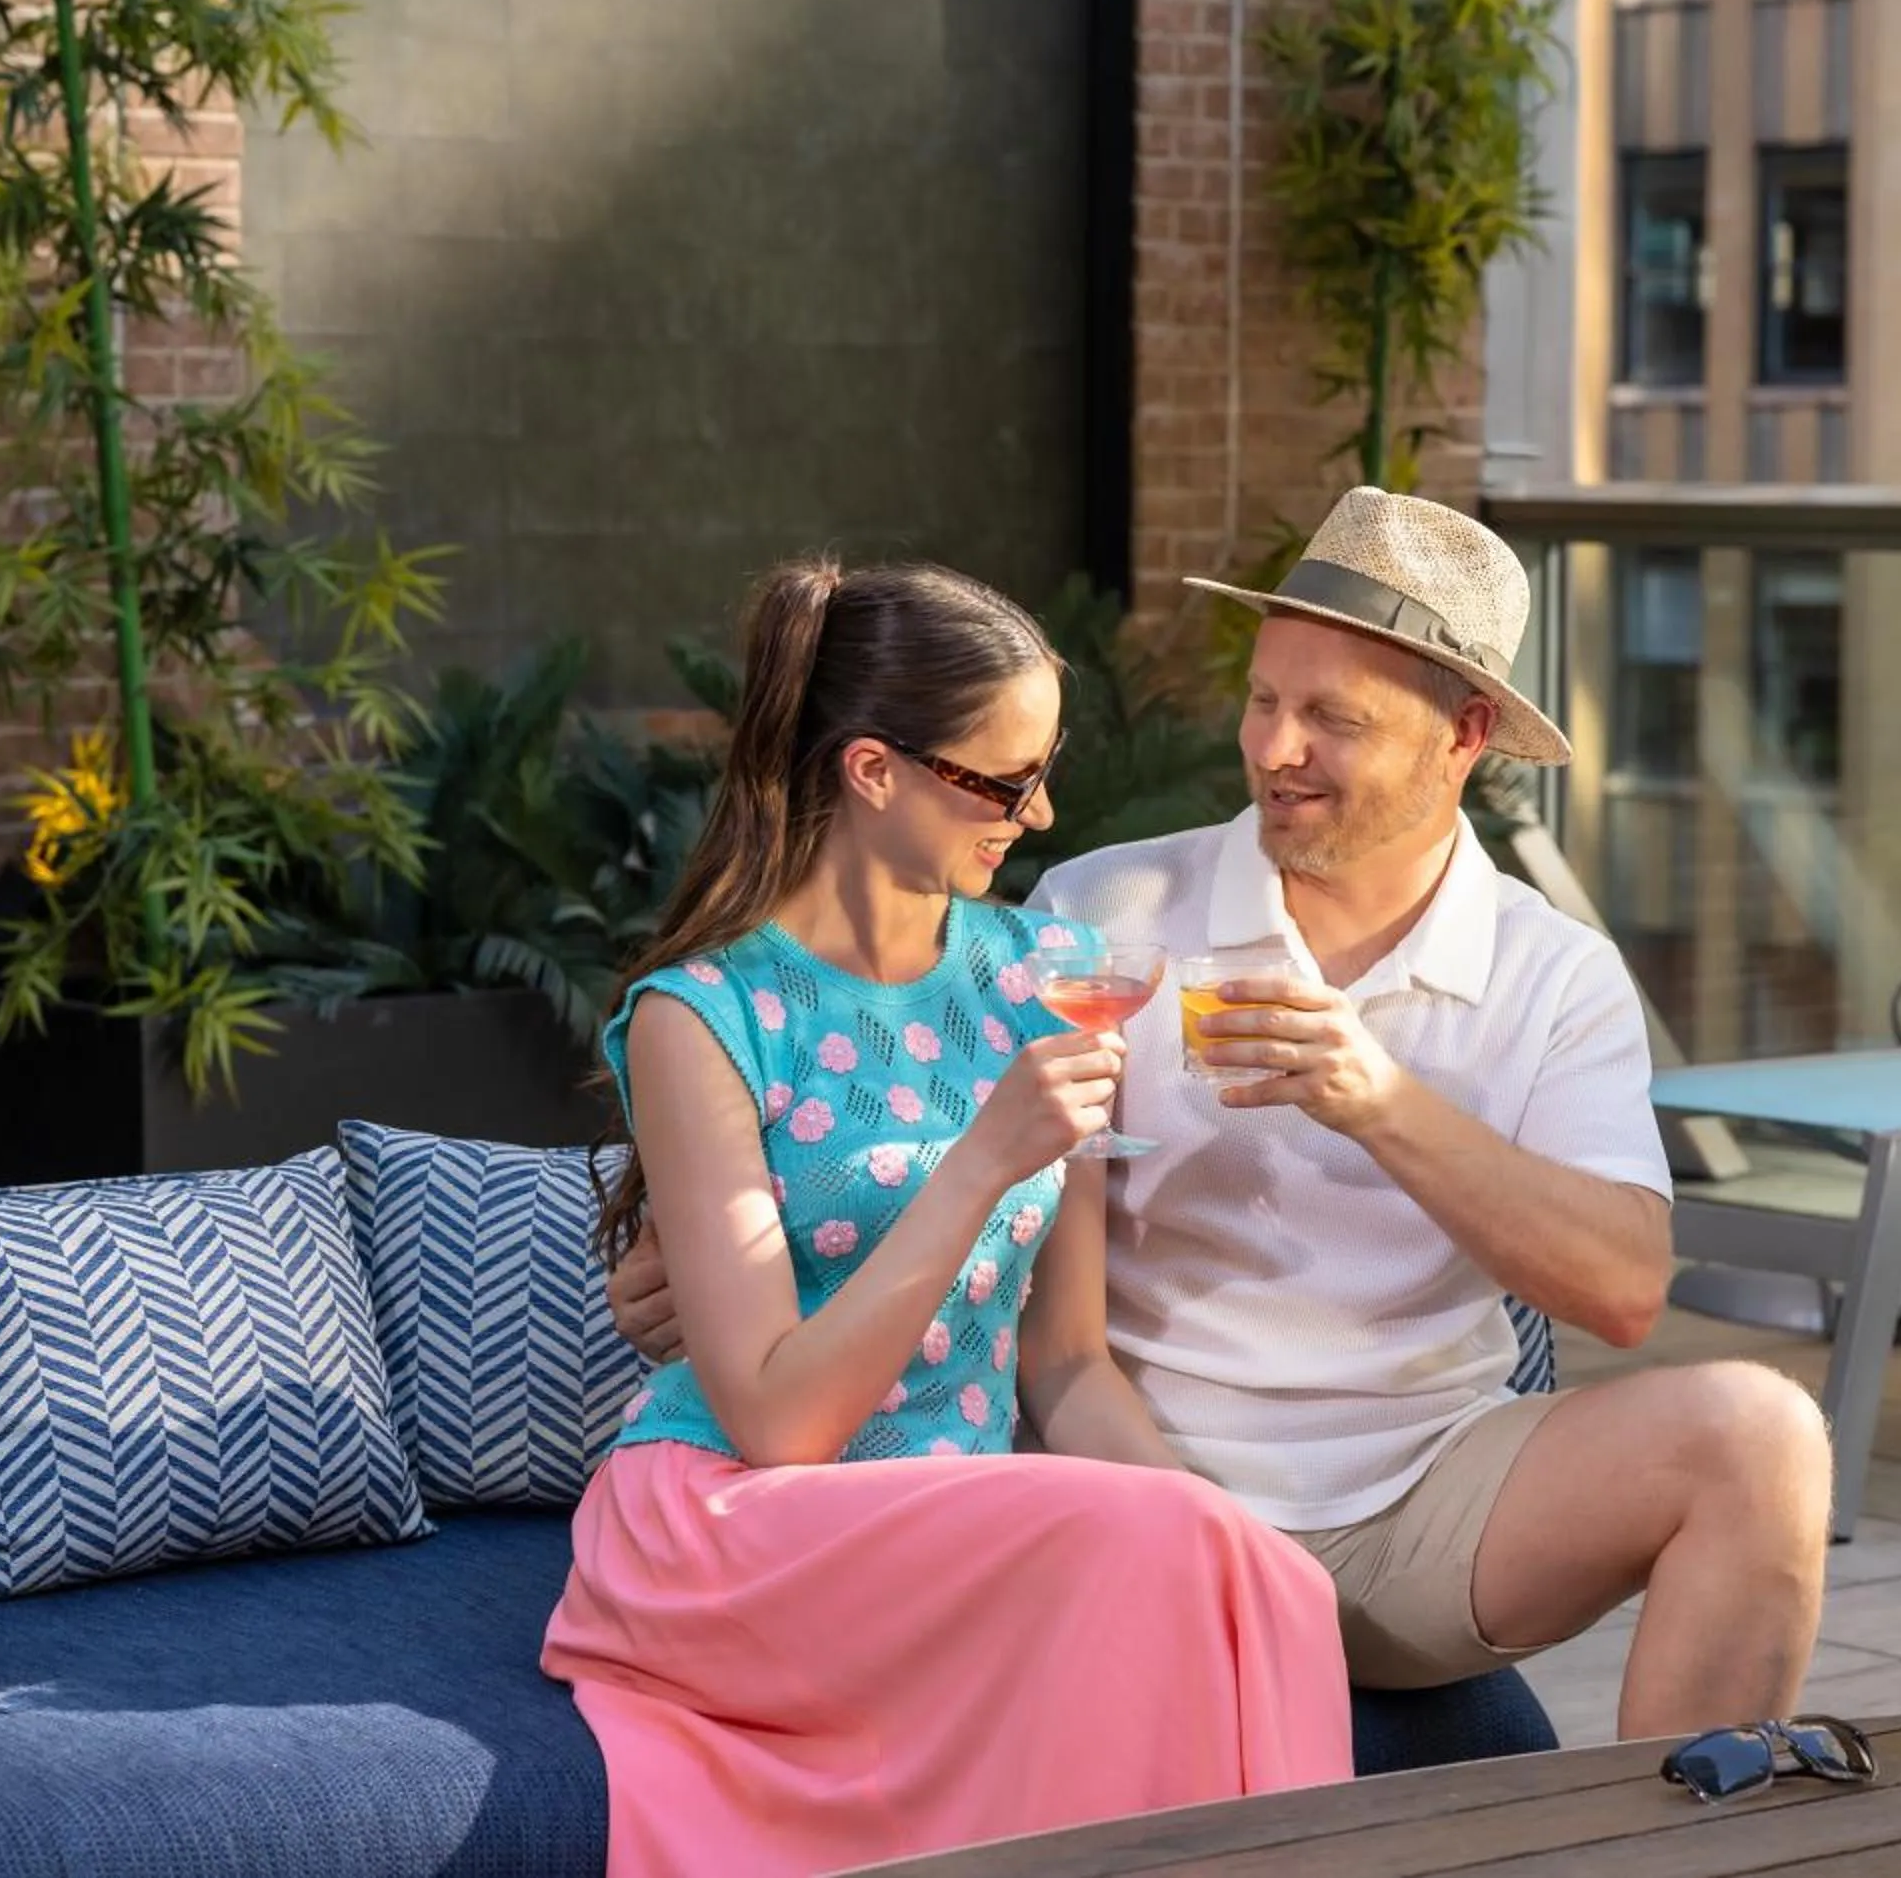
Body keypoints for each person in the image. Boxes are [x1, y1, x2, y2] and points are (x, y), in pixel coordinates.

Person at [613, 490, 1832, 1743]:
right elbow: (881, 1086)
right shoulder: (1106, 913)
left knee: (1764, 1437)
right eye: (1264, 700)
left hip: (1426, 1508)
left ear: (1465, 734)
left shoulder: (1553, 974)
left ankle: (1690, 1840)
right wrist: (713, 1263)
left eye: (1332, 719)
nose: (1274, 749)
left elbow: (1627, 1288)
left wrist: (1381, 1103)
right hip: (1133, 1488)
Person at [541, 557, 1352, 1878]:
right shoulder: (707, 1019)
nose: (1040, 813)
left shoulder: (1052, 978)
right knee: (1170, 1548)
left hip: (952, 1517)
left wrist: (1233, 1549)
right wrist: (979, 1163)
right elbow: (776, 1422)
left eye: (1044, 770)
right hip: (738, 1526)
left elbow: (1069, 1365)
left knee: (1255, 1575)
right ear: (873, 771)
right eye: (1002, 778)